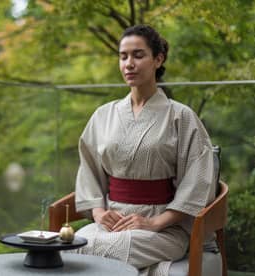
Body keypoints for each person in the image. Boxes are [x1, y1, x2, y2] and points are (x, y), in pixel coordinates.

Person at [72, 25, 217, 276]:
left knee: (108, 250)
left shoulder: (181, 116)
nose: (129, 63)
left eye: (138, 55)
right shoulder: (103, 115)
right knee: (71, 246)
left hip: (163, 227)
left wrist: (153, 223)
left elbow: (199, 179)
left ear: (158, 59)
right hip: (112, 221)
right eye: (123, 56)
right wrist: (98, 212)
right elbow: (89, 168)